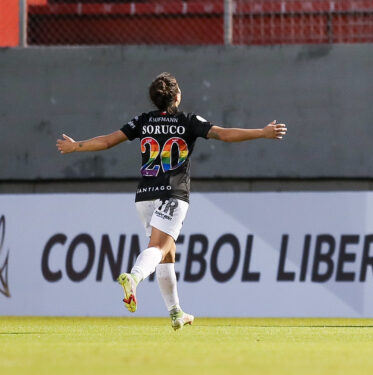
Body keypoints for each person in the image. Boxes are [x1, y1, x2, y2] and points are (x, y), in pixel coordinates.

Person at [55, 72, 287, 330]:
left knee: (167, 255)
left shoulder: (142, 121)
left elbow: (108, 141)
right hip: (173, 194)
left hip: (145, 196)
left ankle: (176, 312)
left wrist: (76, 146)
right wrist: (262, 132)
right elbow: (224, 134)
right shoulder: (188, 121)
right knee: (159, 249)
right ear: (177, 96)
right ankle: (134, 277)